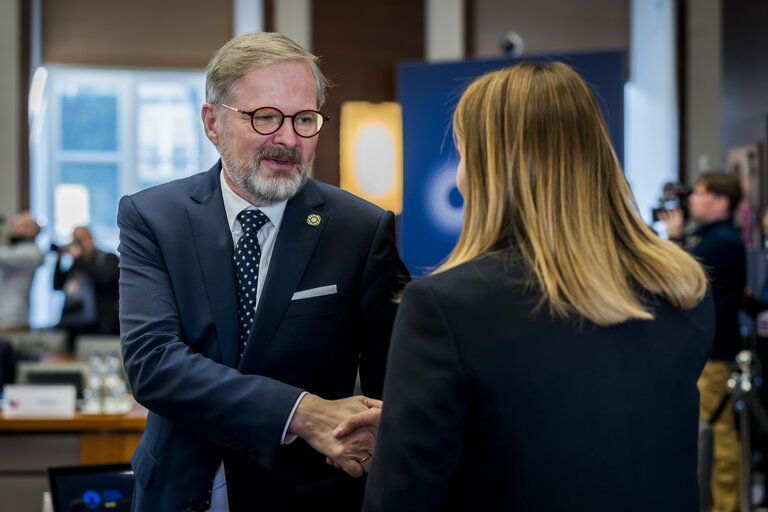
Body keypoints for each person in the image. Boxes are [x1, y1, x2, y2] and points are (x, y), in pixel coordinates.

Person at [337, 62, 714, 511]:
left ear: (487, 168)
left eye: (461, 154)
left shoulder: (445, 307)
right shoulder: (682, 289)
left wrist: (409, 436)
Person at [117, 32, 408, 511]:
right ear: (213, 123)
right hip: (176, 492)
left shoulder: (361, 229)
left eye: (304, 119)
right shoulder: (153, 217)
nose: (288, 139)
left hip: (305, 494)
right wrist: (301, 412)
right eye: (265, 117)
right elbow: (153, 364)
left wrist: (373, 439)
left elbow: (394, 381)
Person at [660, 172, 746, 512]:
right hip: (714, 351)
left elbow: (686, 290)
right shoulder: (720, 239)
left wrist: (677, 242)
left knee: (715, 435)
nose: (692, 199)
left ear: (721, 202)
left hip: (713, 355)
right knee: (712, 434)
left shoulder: (720, 242)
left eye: (700, 192)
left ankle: (724, 505)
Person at [53, 226, 120, 349]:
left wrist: (81, 259)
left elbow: (106, 281)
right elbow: (57, 286)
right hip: (75, 325)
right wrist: (59, 260)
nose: (79, 245)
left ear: (91, 238)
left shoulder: (107, 258)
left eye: (81, 240)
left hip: (101, 326)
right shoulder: (75, 264)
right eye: (75, 241)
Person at [0, 212, 44, 331]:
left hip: (12, 320)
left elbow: (3, 256)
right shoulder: (15, 250)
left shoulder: (31, 253)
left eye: (19, 226)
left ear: (32, 231)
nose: (13, 229)